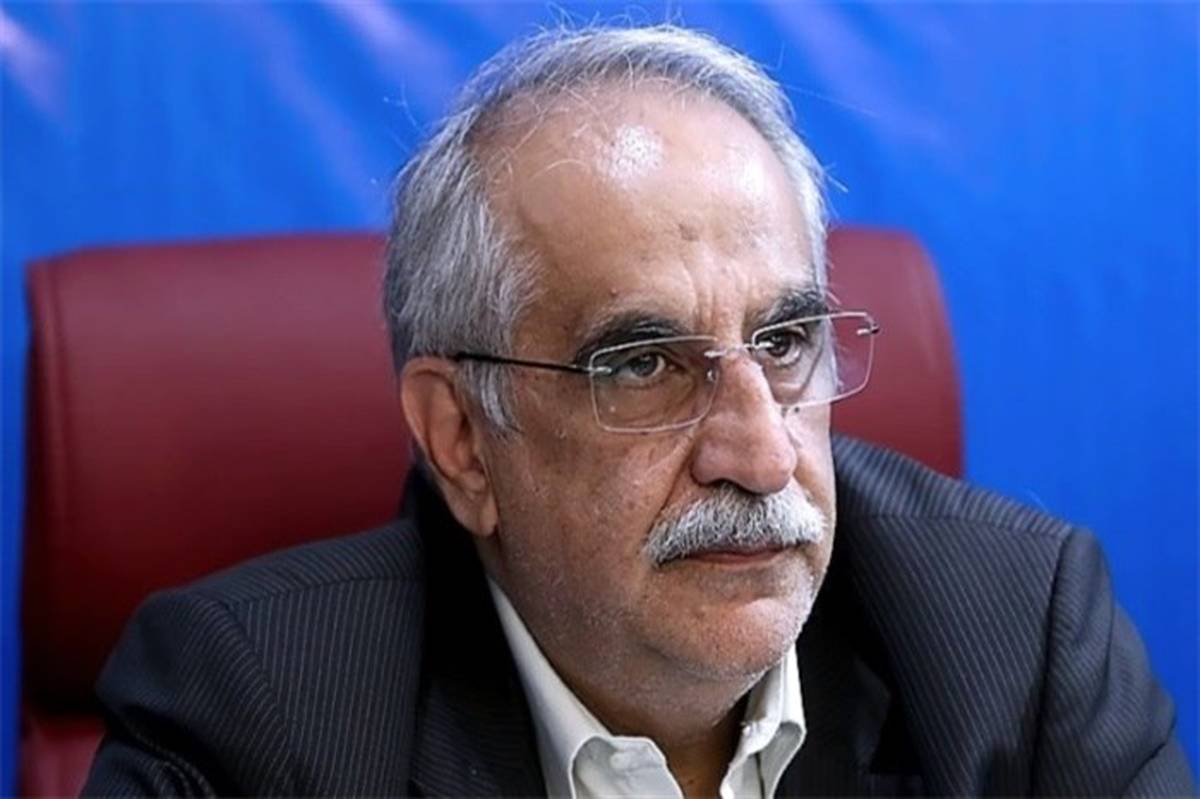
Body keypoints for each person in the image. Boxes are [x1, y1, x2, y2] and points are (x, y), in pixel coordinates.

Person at [83, 24, 1193, 797]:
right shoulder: (256, 716)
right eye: (645, 363)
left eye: (785, 343)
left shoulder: (1017, 637)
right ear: (462, 441)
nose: (762, 456)